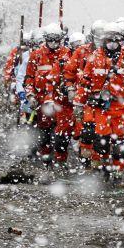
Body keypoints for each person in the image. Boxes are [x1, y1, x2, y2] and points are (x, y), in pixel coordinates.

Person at [73, 22, 124, 183]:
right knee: (102, 141)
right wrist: (79, 103)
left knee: (121, 142)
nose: (112, 43)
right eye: (109, 39)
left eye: (116, 39)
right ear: (104, 40)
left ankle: (118, 171)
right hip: (101, 107)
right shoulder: (94, 57)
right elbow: (85, 82)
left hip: (121, 107)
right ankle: (104, 168)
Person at [25, 23, 70, 165]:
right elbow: (29, 78)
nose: (53, 43)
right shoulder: (36, 55)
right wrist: (30, 95)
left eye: (56, 40)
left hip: (61, 101)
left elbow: (73, 76)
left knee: (62, 134)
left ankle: (61, 162)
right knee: (44, 133)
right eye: (50, 40)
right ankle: (46, 161)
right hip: (41, 100)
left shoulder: (67, 54)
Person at [63, 20, 106, 169]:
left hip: (104, 100)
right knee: (86, 131)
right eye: (98, 37)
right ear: (92, 37)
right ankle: (85, 160)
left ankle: (97, 161)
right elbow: (69, 71)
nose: (100, 40)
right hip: (85, 96)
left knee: (101, 133)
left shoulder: (111, 54)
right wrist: (70, 89)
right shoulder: (82, 51)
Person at [44, 32, 86, 166]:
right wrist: (50, 98)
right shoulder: (62, 61)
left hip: (83, 105)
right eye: (75, 45)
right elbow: (51, 81)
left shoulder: (91, 60)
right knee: (62, 136)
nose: (78, 47)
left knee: (84, 135)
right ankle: (60, 162)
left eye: (81, 44)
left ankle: (86, 164)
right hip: (64, 105)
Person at [3, 31, 32, 99]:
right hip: (17, 78)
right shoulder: (16, 52)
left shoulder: (34, 53)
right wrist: (7, 78)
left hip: (28, 78)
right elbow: (9, 66)